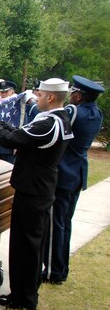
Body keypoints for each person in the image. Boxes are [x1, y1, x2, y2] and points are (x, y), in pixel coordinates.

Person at [0, 78, 73, 310]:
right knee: (29, 244)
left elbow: (12, 139)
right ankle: (24, 291)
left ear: (50, 97)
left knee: (26, 245)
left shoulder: (49, 122)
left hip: (34, 190)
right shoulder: (59, 119)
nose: (35, 99)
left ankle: (24, 297)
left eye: (39, 95)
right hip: (38, 187)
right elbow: (21, 133)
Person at [42, 75, 105, 285]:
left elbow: (52, 120)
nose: (71, 97)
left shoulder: (73, 111)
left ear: (78, 96)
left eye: (73, 94)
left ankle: (52, 271)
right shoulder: (96, 112)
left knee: (54, 225)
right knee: (64, 224)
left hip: (63, 173)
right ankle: (61, 267)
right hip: (77, 172)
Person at [0, 80, 39, 164]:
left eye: (6, 91)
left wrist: (18, 145)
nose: (4, 94)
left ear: (12, 91)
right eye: (2, 92)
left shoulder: (18, 106)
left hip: (10, 145)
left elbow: (22, 124)